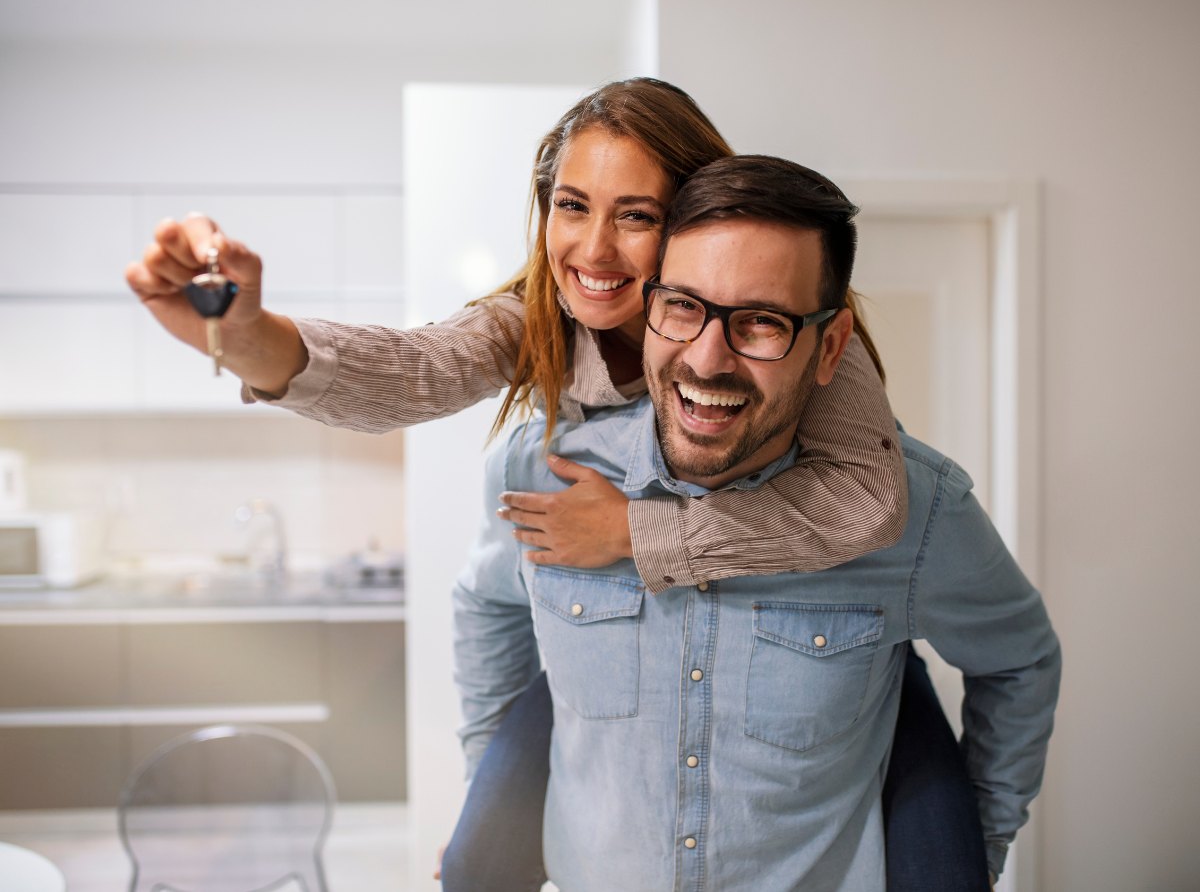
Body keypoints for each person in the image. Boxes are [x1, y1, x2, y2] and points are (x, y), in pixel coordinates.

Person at [124, 79, 983, 887]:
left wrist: (636, 534)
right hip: (615, 634)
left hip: (811, 634)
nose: (594, 250)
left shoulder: (792, 343)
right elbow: (413, 372)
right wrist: (245, 336)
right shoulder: (541, 317)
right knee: (475, 863)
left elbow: (869, 501)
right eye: (571, 207)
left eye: (636, 216)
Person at [451, 154, 1060, 891]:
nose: (708, 360)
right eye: (682, 306)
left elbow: (1019, 658)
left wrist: (979, 844)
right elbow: (487, 602)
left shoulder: (919, 511)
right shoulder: (539, 469)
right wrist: (490, 794)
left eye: (762, 323)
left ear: (831, 347)